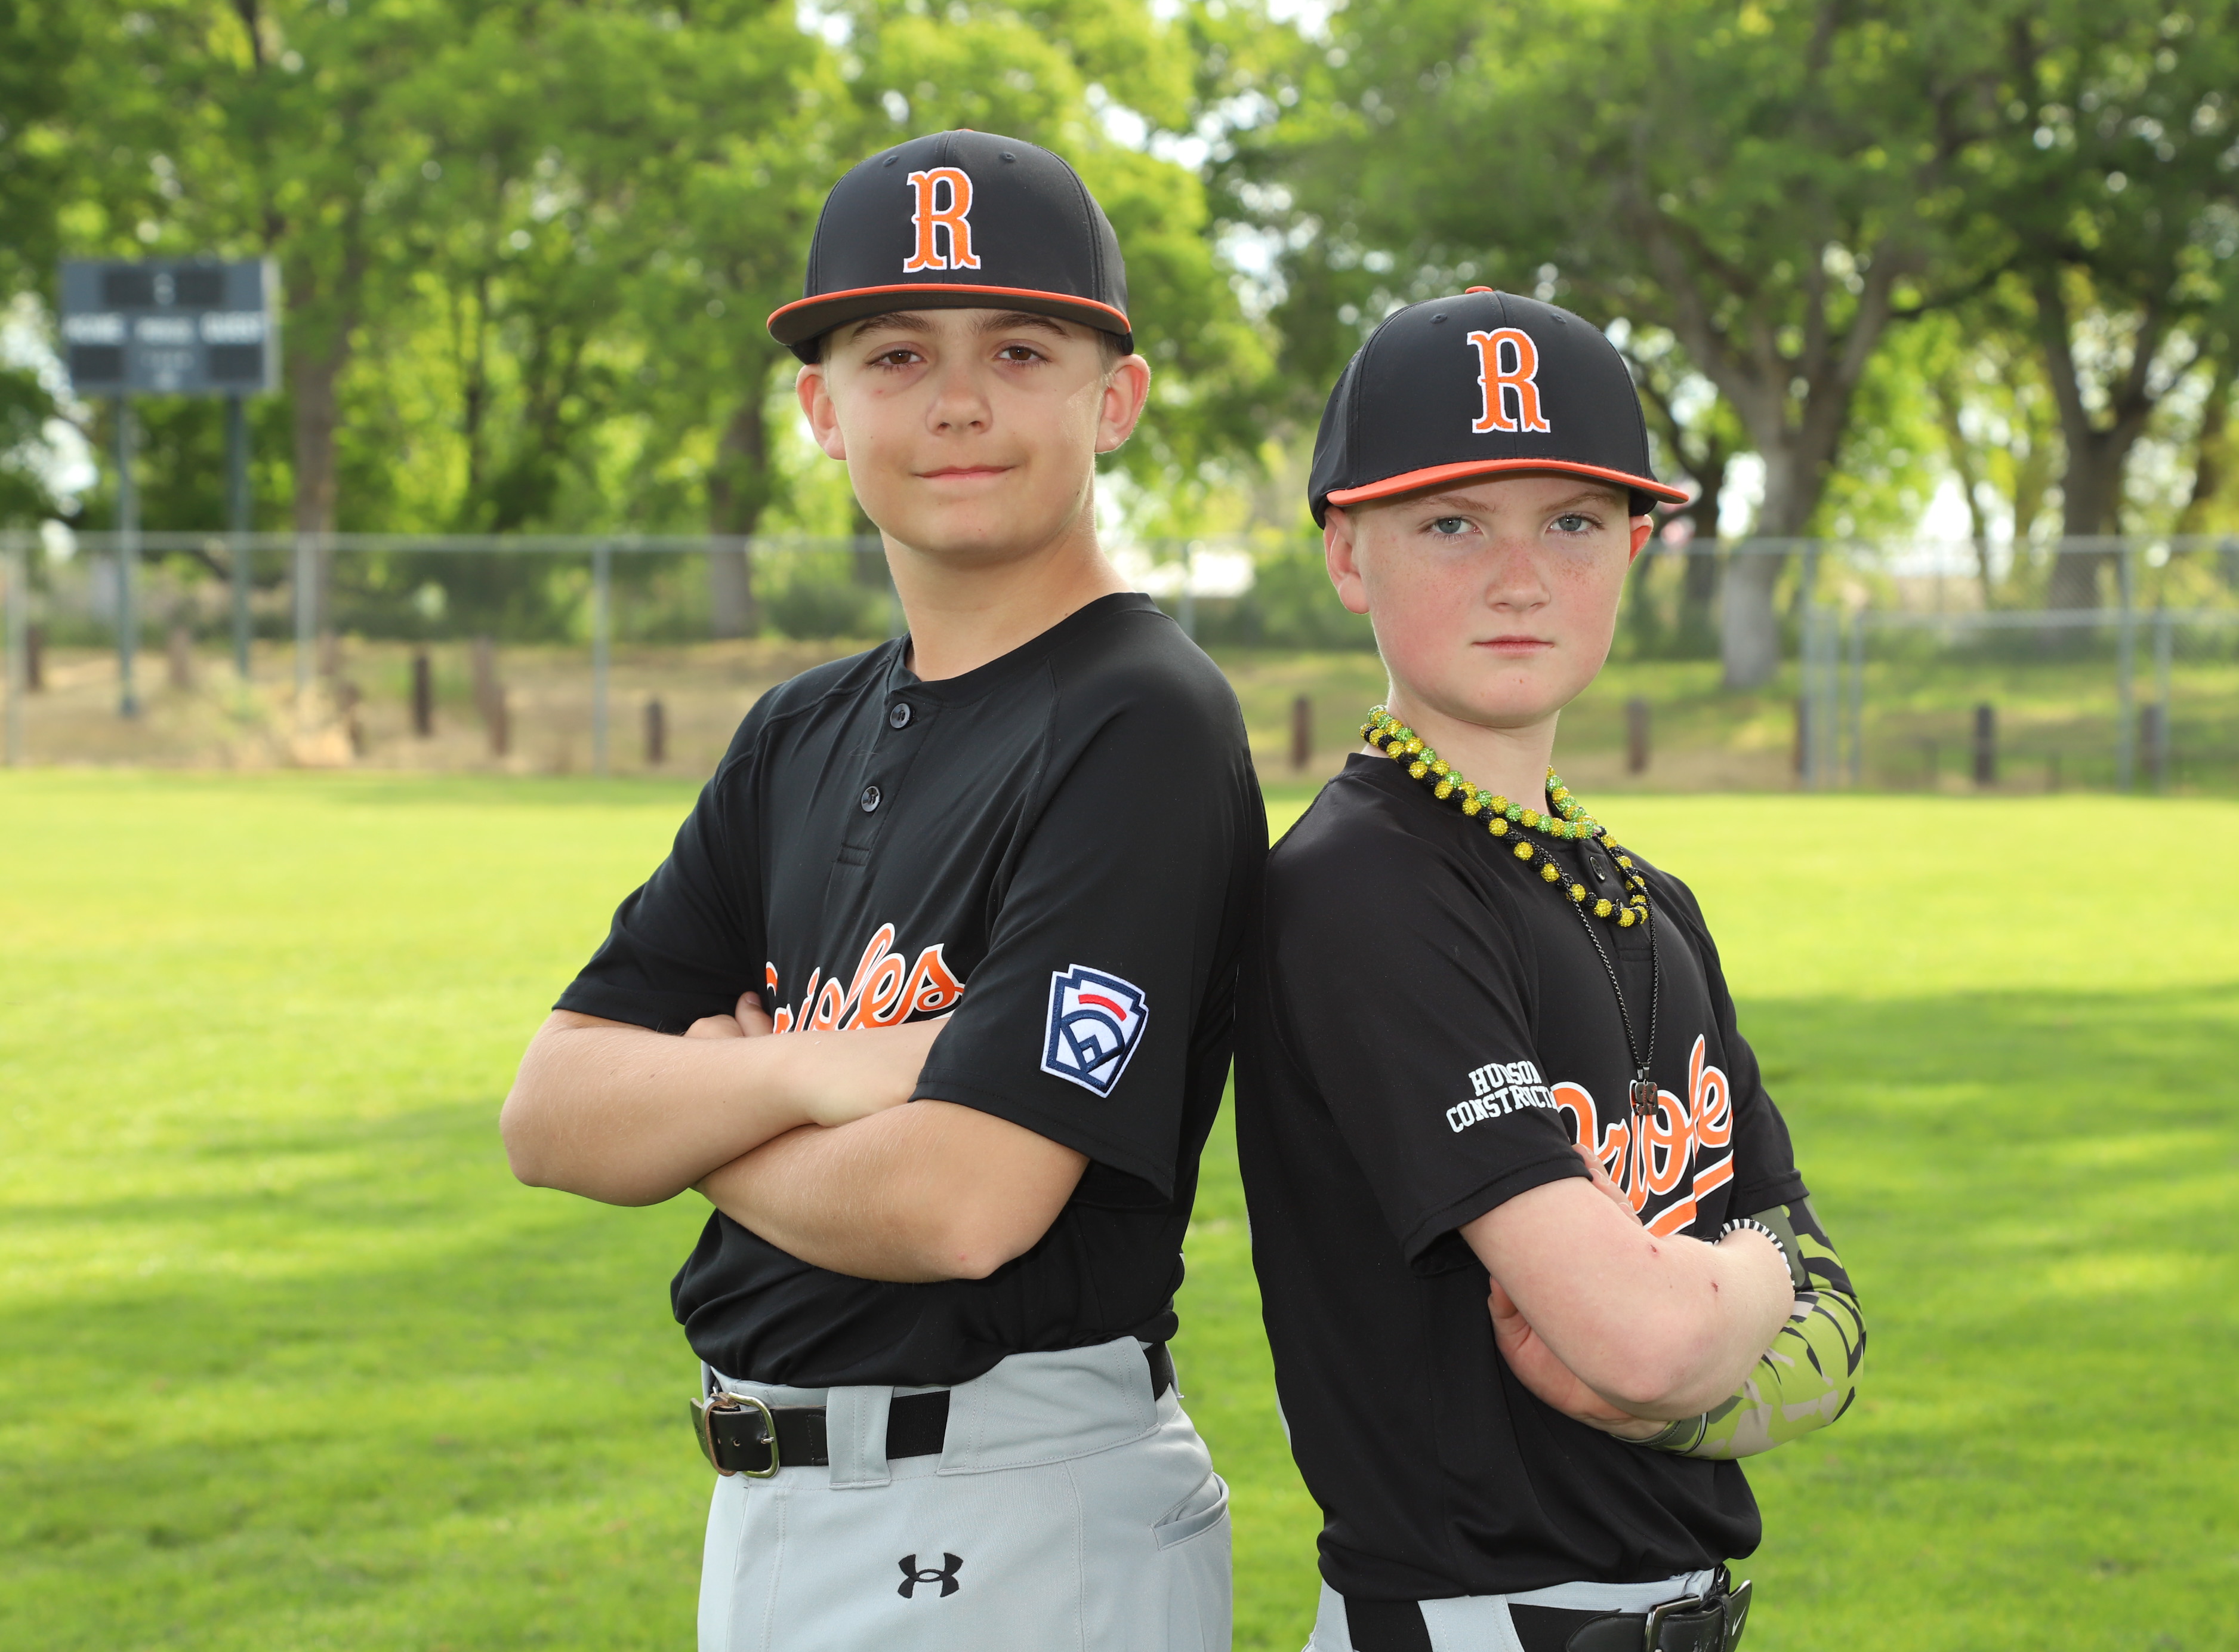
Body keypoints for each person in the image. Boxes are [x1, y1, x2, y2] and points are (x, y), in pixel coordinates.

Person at [499, 130, 1258, 1652]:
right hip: (778, 1506)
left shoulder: (1142, 717)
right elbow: (550, 1113)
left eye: (1019, 350)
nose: (958, 401)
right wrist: (809, 1072)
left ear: (1114, 399)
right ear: (822, 412)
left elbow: (960, 1203)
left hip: (1013, 1511)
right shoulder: (800, 729)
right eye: (897, 354)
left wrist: (704, 1122)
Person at [1236, 287, 1867, 1652]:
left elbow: (1837, 1331)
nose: (1518, 577)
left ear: (1634, 548)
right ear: (1347, 554)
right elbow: (1650, 1335)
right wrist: (1735, 1290)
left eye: (1571, 522)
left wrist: (1690, 1341)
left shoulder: (1649, 902)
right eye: (1452, 523)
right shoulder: (1361, 885)